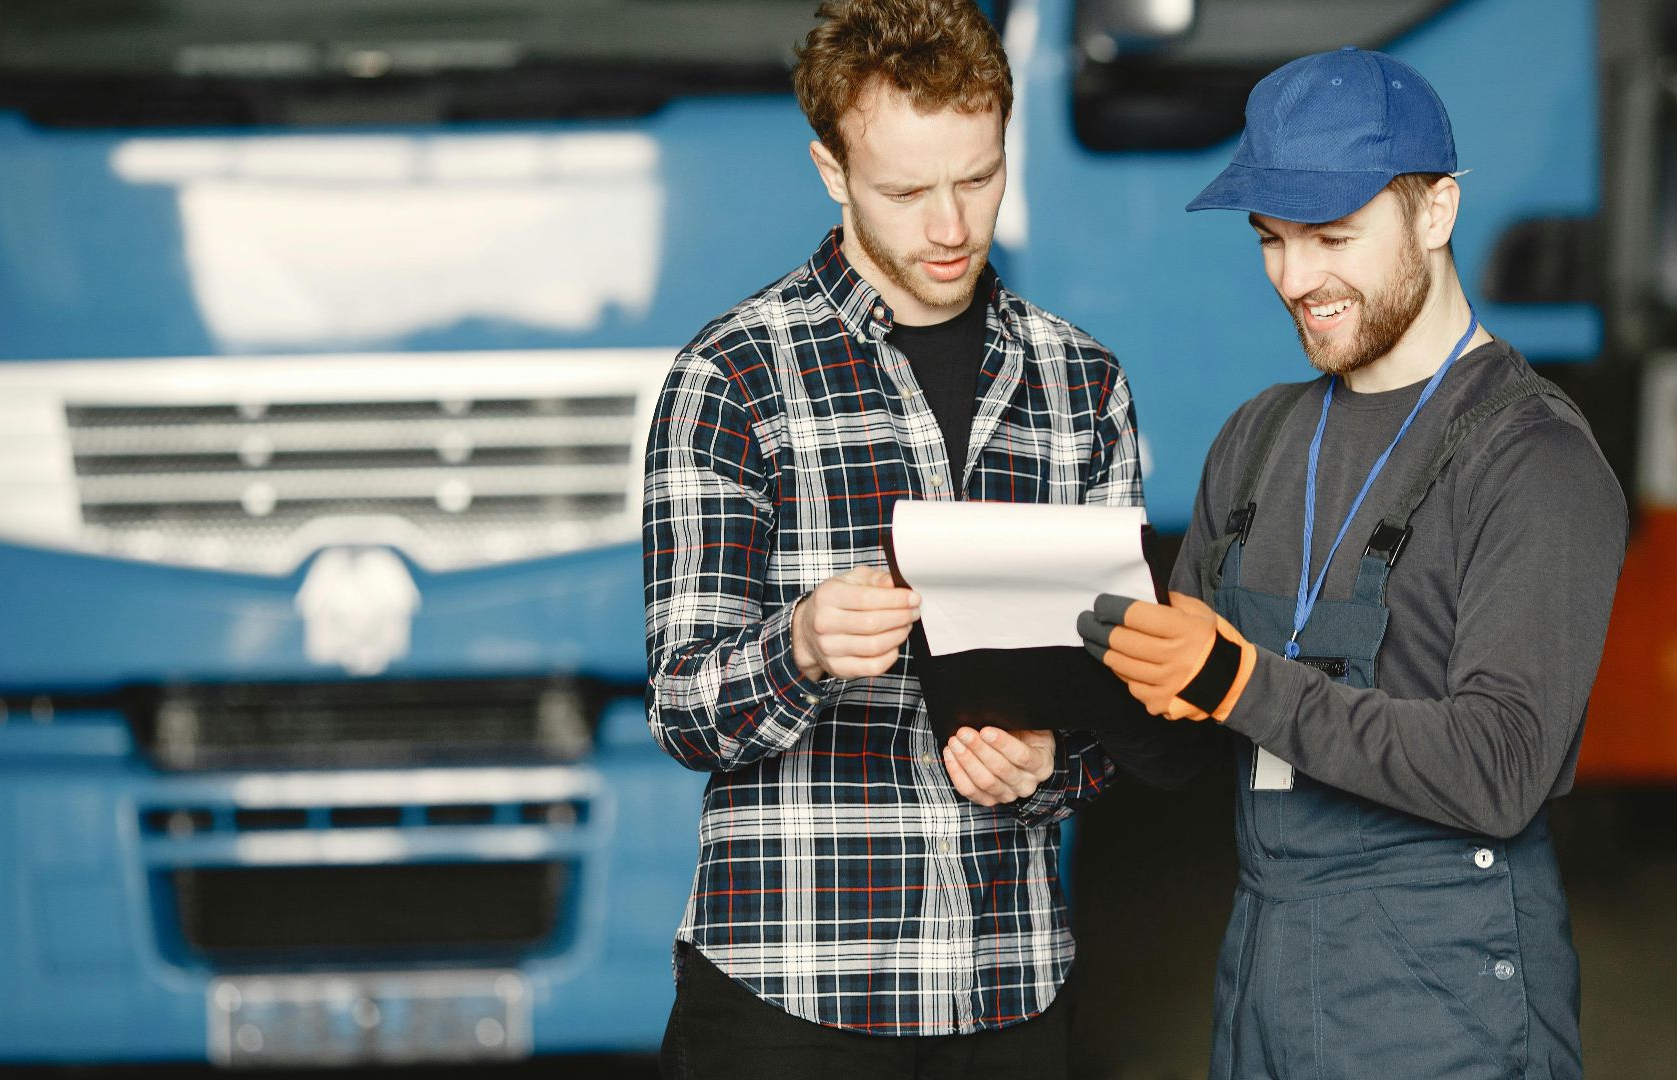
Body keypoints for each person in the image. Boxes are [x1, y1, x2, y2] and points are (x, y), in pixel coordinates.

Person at [1078, 47, 1627, 1080]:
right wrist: (1064, 702)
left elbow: (1501, 768)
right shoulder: (1258, 439)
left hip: (1446, 1002)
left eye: (1333, 237)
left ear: (1437, 212)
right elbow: (1188, 737)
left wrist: (1237, 678)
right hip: (1266, 981)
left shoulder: (1532, 459)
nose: (1296, 279)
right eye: (1271, 241)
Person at [641, 0, 1143, 1075]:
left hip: (1010, 984)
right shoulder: (731, 379)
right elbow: (682, 709)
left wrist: (1053, 765)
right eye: (908, 192)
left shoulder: (1081, 385)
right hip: (786, 990)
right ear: (832, 171)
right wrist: (804, 648)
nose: (952, 226)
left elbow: (1129, 695)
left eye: (979, 177)